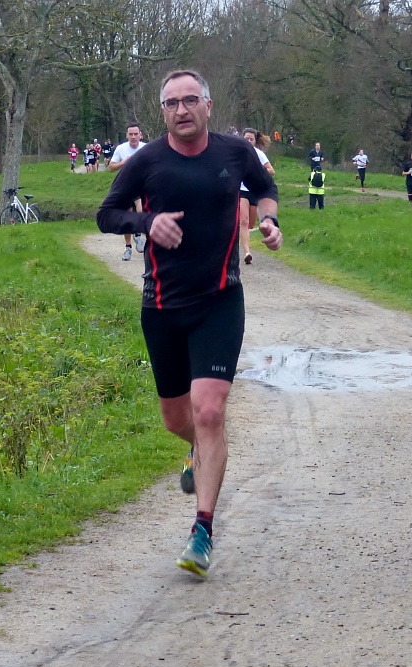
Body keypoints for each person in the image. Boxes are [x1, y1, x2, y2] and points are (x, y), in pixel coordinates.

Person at [97, 70, 282, 580]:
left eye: (190, 100)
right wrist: (145, 222)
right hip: (162, 305)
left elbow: (265, 188)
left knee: (210, 410)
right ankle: (197, 450)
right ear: (163, 111)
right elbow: (106, 214)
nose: (181, 110)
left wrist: (269, 220)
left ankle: (202, 530)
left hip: (220, 299)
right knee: (177, 419)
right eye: (172, 103)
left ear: (207, 104)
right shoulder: (146, 161)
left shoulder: (235, 153)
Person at [109, 123, 147, 260]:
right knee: (127, 216)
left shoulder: (146, 148)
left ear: (140, 135)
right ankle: (128, 247)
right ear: (127, 135)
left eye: (136, 134)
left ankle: (138, 234)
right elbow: (111, 168)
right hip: (125, 186)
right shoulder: (121, 149)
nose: (133, 137)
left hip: (142, 186)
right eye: (131, 134)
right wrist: (123, 163)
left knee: (141, 210)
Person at [239, 128, 275, 265]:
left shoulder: (259, 154)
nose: (248, 141)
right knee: (243, 221)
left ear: (255, 141)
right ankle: (247, 252)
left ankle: (242, 238)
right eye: (246, 139)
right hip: (241, 190)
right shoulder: (237, 153)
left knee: (250, 224)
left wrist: (258, 170)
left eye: (251, 139)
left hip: (254, 190)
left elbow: (271, 170)